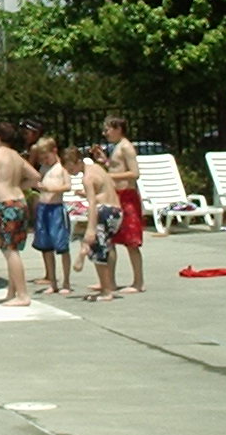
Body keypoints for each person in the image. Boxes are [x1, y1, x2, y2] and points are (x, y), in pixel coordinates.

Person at [0, 122, 41, 306]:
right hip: (19, 202)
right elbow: (36, 177)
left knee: (10, 250)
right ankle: (12, 291)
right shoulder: (16, 156)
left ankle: (22, 295)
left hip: (5, 204)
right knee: (12, 247)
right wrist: (18, 186)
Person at [96, 115, 145, 293]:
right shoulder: (117, 147)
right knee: (110, 239)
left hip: (128, 197)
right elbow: (117, 167)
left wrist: (108, 176)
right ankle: (109, 282)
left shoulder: (126, 147)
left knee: (131, 241)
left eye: (107, 129)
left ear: (118, 129)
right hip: (116, 196)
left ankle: (138, 282)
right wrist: (106, 162)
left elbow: (134, 173)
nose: (105, 133)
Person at [68, 145, 123, 301]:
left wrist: (90, 230)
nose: (69, 172)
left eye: (70, 168)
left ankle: (106, 291)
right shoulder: (97, 168)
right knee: (107, 247)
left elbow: (92, 204)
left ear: (78, 162)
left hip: (104, 212)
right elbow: (108, 189)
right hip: (116, 211)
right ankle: (109, 283)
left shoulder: (87, 178)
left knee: (97, 249)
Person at [29, 136, 72, 294]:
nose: (44, 160)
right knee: (46, 247)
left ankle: (66, 281)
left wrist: (53, 189)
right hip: (43, 208)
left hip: (56, 209)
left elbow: (67, 186)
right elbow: (38, 183)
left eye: (46, 157)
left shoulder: (61, 169)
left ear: (54, 151)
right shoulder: (43, 169)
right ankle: (52, 281)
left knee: (61, 246)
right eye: (41, 158)